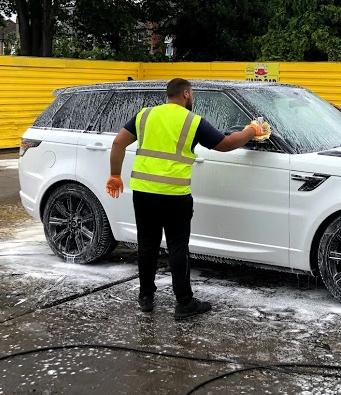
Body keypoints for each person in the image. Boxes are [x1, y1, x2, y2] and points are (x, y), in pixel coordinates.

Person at [105, 78, 270, 321]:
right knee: (177, 248)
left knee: (147, 244)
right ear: (185, 93)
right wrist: (251, 131)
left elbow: (118, 142)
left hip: (144, 193)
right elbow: (225, 145)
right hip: (174, 196)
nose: (192, 98)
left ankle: (146, 298)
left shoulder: (145, 115)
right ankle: (184, 303)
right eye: (192, 94)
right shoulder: (192, 121)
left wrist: (115, 175)